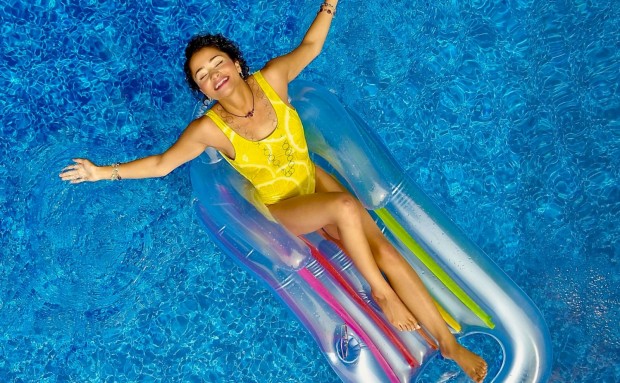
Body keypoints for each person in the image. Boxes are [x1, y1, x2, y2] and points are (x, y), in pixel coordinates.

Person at [60, 1, 487, 381]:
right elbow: (160, 164)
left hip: (311, 179)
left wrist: (330, 4)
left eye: (216, 63)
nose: (213, 76)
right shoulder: (208, 129)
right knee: (343, 208)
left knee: (387, 250)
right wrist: (102, 172)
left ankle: (450, 347)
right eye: (202, 76)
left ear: (235, 62)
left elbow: (312, 46)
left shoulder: (274, 79)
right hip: (285, 207)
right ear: (202, 90)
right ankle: (382, 292)